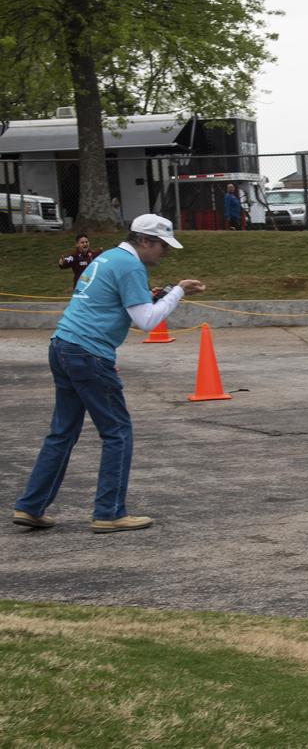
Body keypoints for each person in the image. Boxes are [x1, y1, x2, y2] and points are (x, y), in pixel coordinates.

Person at [12, 214, 207, 533]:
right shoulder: (130, 266)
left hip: (62, 345)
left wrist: (157, 295)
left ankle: (30, 506)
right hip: (89, 354)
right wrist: (179, 291)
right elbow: (146, 321)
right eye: (162, 246)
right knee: (117, 431)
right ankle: (109, 512)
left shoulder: (108, 258)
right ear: (144, 241)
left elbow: (114, 303)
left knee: (62, 432)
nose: (165, 253)